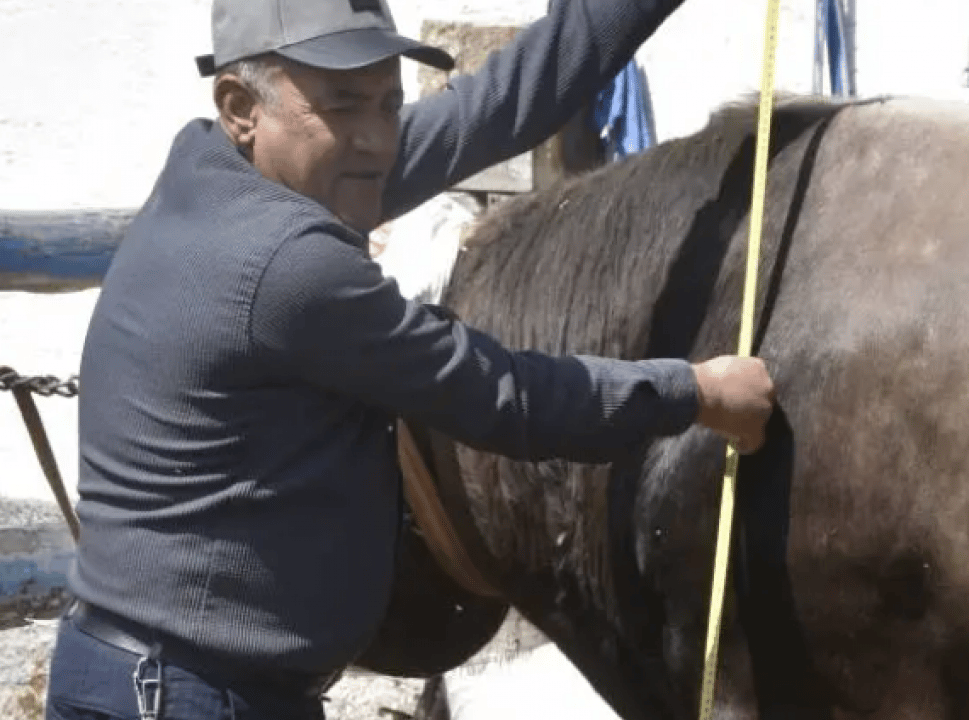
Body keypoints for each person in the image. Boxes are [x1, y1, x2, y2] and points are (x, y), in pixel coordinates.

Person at [44, 0, 775, 719]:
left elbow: (494, 107)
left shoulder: (220, 173)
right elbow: (500, 394)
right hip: (183, 696)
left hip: (159, 676)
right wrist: (695, 391)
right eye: (343, 105)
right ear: (241, 106)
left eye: (389, 104)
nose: (375, 139)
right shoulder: (285, 266)